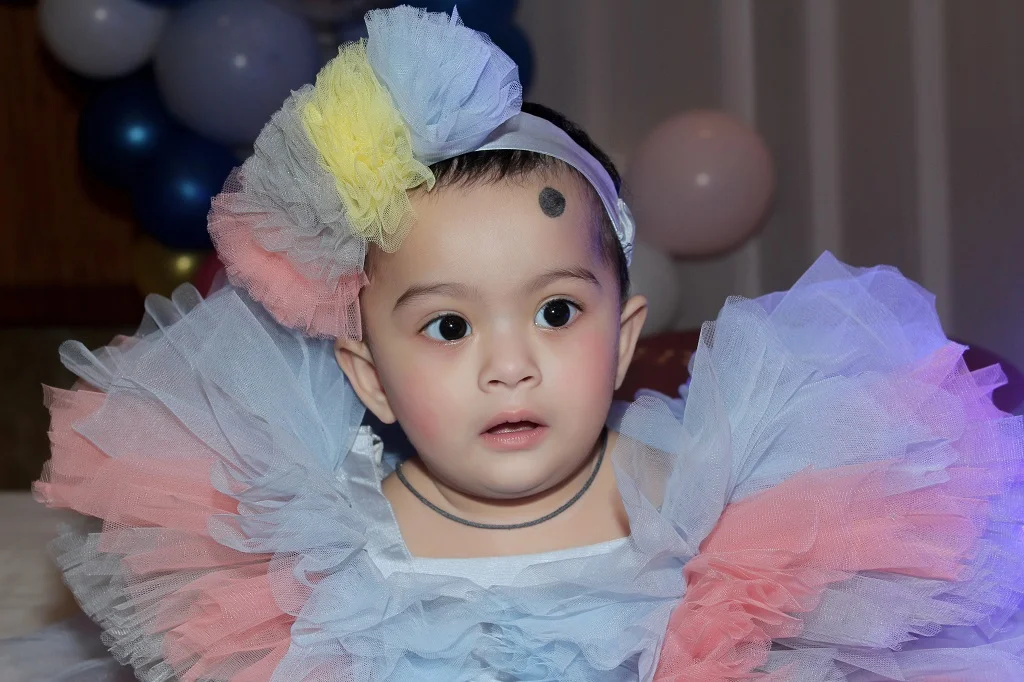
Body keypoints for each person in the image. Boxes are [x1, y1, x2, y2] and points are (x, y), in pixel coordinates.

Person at [4, 6, 1024, 681]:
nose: (510, 364)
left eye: (557, 312)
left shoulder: (705, 515)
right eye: (448, 326)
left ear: (623, 339)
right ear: (370, 376)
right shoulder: (329, 560)